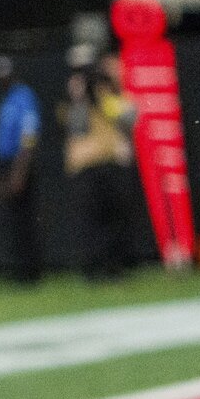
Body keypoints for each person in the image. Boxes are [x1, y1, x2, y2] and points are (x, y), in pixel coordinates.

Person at [65, 46, 138, 280]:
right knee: (91, 220)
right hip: (85, 164)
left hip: (108, 161)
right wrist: (80, 98)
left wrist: (107, 91)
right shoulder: (72, 96)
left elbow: (129, 117)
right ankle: (93, 268)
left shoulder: (107, 93)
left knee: (112, 217)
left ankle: (114, 265)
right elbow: (76, 126)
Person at [0, 55, 43, 284]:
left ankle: (29, 273)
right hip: (5, 164)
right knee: (13, 221)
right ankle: (20, 270)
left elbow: (29, 136)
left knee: (24, 220)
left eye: (6, 76)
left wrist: (19, 172)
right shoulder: (7, 99)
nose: (3, 81)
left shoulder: (23, 97)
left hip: (20, 163)